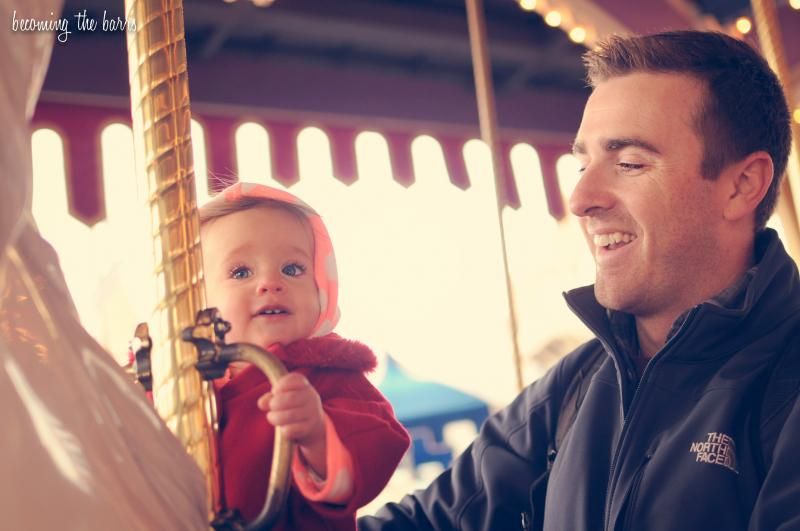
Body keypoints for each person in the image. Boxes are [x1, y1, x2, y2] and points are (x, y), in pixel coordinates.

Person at [358, 30, 800, 530]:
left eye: (629, 163)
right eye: (583, 163)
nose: (581, 197)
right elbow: (426, 521)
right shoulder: (577, 385)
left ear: (742, 185)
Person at [200, 182, 410, 529]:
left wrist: (316, 435)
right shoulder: (178, 381)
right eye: (240, 272)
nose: (269, 282)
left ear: (322, 289)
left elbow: (376, 448)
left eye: (293, 269)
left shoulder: (329, 374)